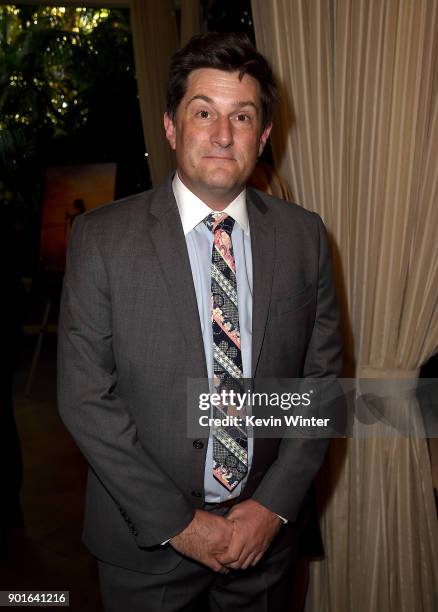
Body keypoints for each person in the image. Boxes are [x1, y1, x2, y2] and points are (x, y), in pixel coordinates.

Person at [57, 32, 342, 611]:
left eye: (242, 116)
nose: (221, 134)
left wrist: (271, 508)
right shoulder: (101, 239)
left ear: (263, 136)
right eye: (203, 113)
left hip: (264, 546)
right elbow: (86, 398)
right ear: (170, 127)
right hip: (147, 549)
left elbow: (319, 388)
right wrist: (180, 523)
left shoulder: (304, 236)